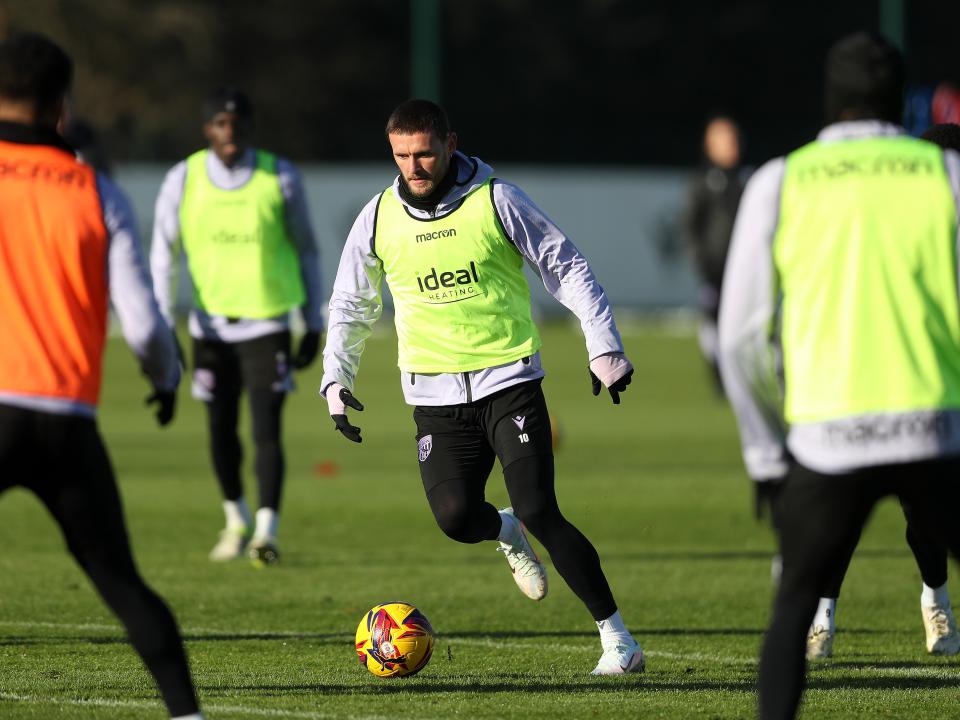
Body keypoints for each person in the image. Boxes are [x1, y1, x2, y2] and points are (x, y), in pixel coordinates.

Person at [320, 99, 642, 674]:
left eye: (423, 153)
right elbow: (351, 301)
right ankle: (504, 530)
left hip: (510, 381)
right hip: (434, 398)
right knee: (454, 518)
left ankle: (617, 638)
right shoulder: (376, 217)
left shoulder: (497, 199)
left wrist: (604, 346)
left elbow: (564, 265)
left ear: (449, 144)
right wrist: (335, 379)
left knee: (543, 508)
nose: (413, 167)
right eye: (401, 156)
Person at [719, 32, 960, 719]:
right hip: (935, 431)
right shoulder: (944, 174)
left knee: (794, 607)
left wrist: (767, 456)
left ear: (830, 96)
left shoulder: (780, 179)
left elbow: (740, 338)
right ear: (900, 98)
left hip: (826, 437)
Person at [0, 33, 202, 720]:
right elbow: (144, 325)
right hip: (64, 421)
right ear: (62, 105)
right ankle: (187, 714)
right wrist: (166, 379)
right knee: (121, 583)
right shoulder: (95, 190)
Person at [799, 120, 960, 663]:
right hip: (865, 383)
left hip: (932, 392)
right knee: (841, 516)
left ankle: (935, 601)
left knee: (927, 515)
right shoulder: (889, 223)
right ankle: (821, 614)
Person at [151, 87, 323, 566]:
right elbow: (162, 256)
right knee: (219, 430)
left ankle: (266, 531)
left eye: (237, 123)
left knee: (267, 430)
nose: (230, 132)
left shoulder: (280, 176)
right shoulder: (182, 179)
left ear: (249, 127)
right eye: (220, 123)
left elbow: (307, 247)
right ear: (207, 129)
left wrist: (311, 321)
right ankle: (235, 519)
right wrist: (164, 325)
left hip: (267, 323)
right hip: (209, 329)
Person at [682, 114, 750, 395]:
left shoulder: (748, 179)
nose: (731, 145)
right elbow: (691, 226)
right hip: (715, 269)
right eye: (724, 140)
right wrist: (701, 260)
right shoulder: (702, 183)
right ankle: (719, 374)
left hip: (745, 269)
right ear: (710, 146)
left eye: (733, 139)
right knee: (714, 321)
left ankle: (743, 375)